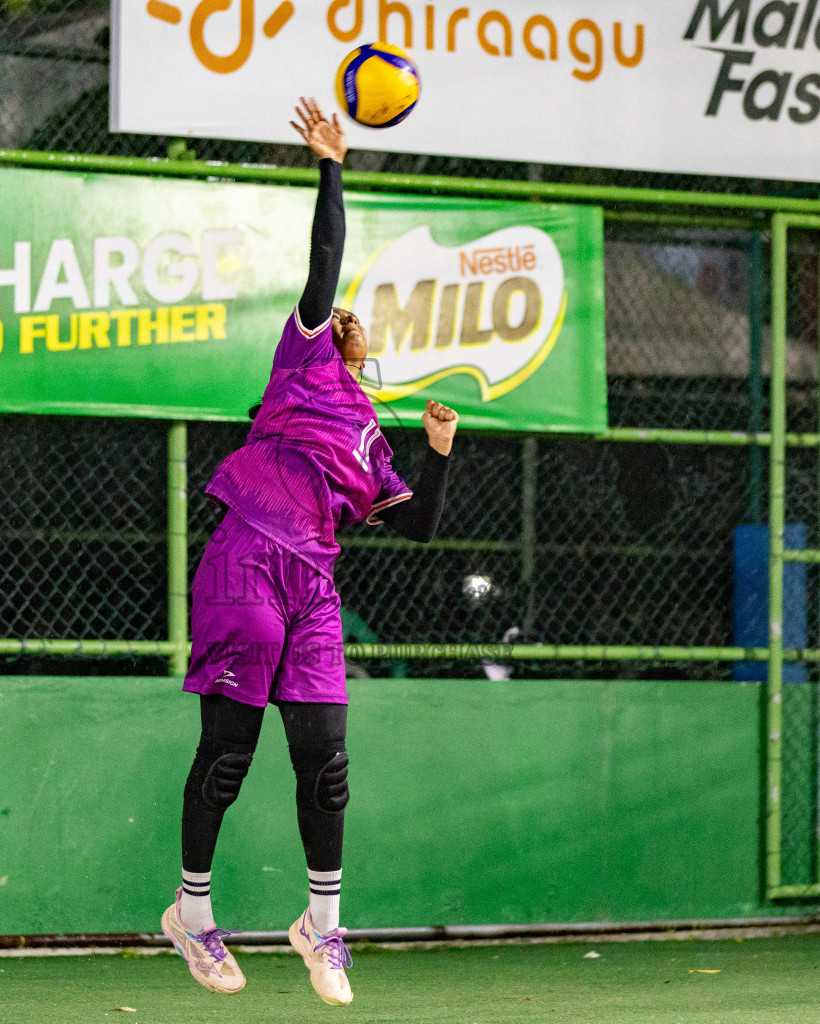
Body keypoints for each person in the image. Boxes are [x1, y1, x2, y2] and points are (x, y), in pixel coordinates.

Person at [160, 98, 459, 1008]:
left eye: (352, 326)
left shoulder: (371, 440)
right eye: (340, 320)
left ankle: (322, 928)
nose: (347, 325)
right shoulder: (302, 364)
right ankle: (191, 914)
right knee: (229, 754)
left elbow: (420, 529)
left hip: (313, 587)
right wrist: (333, 165)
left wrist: (440, 454)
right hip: (247, 559)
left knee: (326, 765)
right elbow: (325, 256)